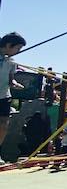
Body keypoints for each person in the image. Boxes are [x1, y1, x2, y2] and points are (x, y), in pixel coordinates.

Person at [0, 32, 26, 163]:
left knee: (4, 124)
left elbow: (11, 81)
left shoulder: (11, 62)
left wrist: (16, 85)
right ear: (9, 45)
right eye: (18, 48)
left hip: (4, 96)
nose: (18, 51)